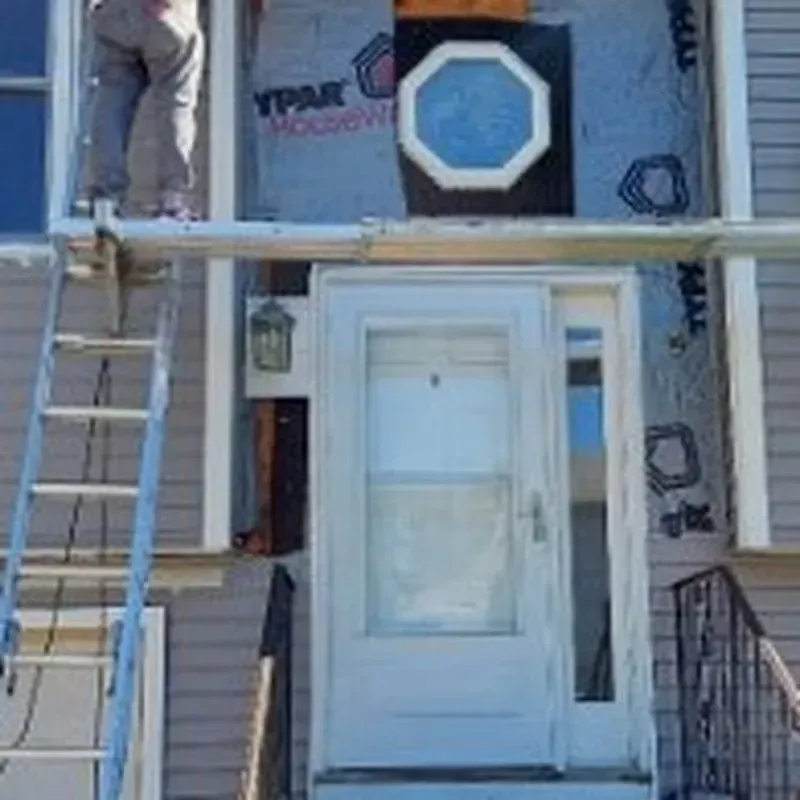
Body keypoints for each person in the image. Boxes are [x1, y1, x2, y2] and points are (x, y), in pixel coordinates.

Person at [87, 0, 204, 221]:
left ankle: (106, 198)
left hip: (113, 12)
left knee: (112, 99)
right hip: (166, 12)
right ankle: (173, 199)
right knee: (175, 103)